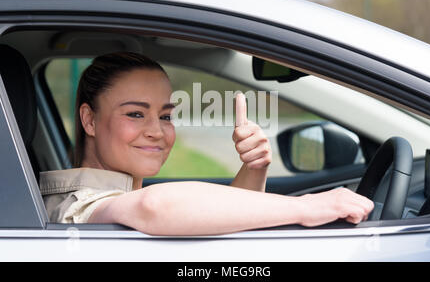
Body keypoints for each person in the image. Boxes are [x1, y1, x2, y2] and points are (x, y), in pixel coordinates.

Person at [39, 52, 374, 236]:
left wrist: (254, 168)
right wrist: (307, 208)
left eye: (166, 116)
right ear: (90, 120)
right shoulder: (75, 204)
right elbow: (155, 207)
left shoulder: (116, 194)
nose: (157, 131)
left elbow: (222, 220)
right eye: (136, 115)